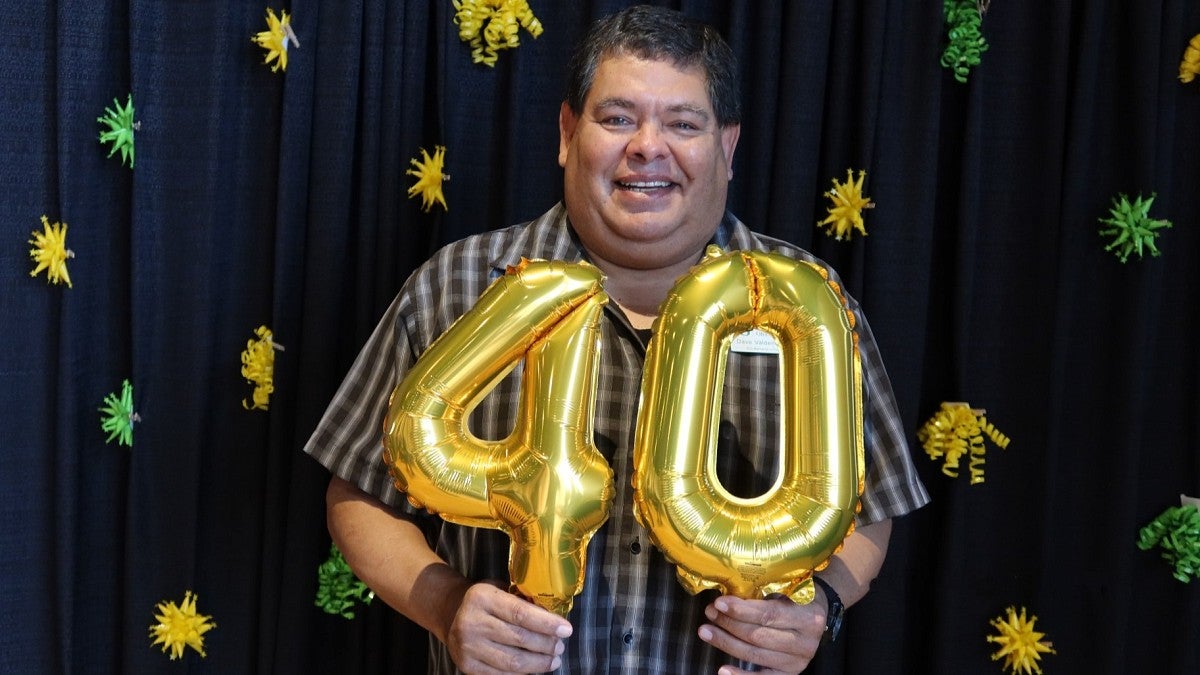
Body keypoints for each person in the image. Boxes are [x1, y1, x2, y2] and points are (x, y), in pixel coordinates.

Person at [304, 5, 929, 674]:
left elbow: (873, 507)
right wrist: (446, 605)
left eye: (683, 123)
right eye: (617, 118)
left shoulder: (810, 303)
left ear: (727, 147)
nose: (648, 147)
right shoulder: (458, 286)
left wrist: (821, 605)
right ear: (568, 134)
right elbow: (360, 493)